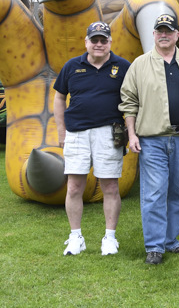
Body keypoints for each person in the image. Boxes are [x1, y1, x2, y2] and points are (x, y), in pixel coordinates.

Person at [119, 13, 179, 265]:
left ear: (177, 35)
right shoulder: (139, 64)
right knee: (154, 193)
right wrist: (131, 134)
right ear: (153, 35)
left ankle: (171, 242)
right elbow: (128, 101)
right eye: (159, 31)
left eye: (169, 30)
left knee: (176, 192)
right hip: (151, 139)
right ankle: (154, 247)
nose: (164, 34)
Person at [54, 21, 131, 257]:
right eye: (94, 40)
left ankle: (110, 238)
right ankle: (76, 237)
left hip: (110, 132)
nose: (99, 44)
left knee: (110, 186)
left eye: (103, 40)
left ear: (110, 42)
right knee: (75, 186)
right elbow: (59, 98)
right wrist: (61, 131)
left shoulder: (123, 67)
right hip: (76, 132)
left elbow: (132, 101)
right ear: (86, 42)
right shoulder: (71, 66)